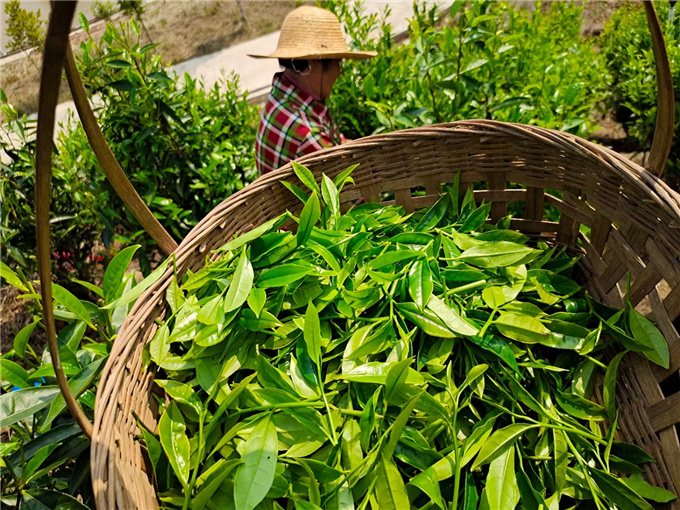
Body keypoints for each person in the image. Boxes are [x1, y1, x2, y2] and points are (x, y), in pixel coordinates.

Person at [249, 6, 375, 174]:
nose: (339, 72)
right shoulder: (307, 134)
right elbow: (354, 193)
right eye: (338, 62)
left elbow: (337, 142)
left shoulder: (282, 96)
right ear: (314, 62)